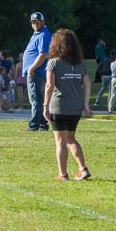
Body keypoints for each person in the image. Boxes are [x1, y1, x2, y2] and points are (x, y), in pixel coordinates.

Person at [43, 29, 93, 180]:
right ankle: (83, 169)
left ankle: (62, 174)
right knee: (71, 139)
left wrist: (45, 106)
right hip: (75, 108)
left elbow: (49, 86)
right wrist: (86, 104)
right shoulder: (80, 65)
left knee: (60, 142)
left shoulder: (53, 63)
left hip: (59, 107)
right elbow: (88, 84)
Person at [23, 12, 52, 131]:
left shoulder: (43, 35)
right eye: (33, 22)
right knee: (37, 98)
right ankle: (42, 124)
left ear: (43, 22)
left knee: (35, 99)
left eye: (38, 22)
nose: (35, 24)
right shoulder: (37, 34)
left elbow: (43, 54)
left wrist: (32, 68)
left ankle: (33, 124)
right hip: (35, 71)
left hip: (36, 72)